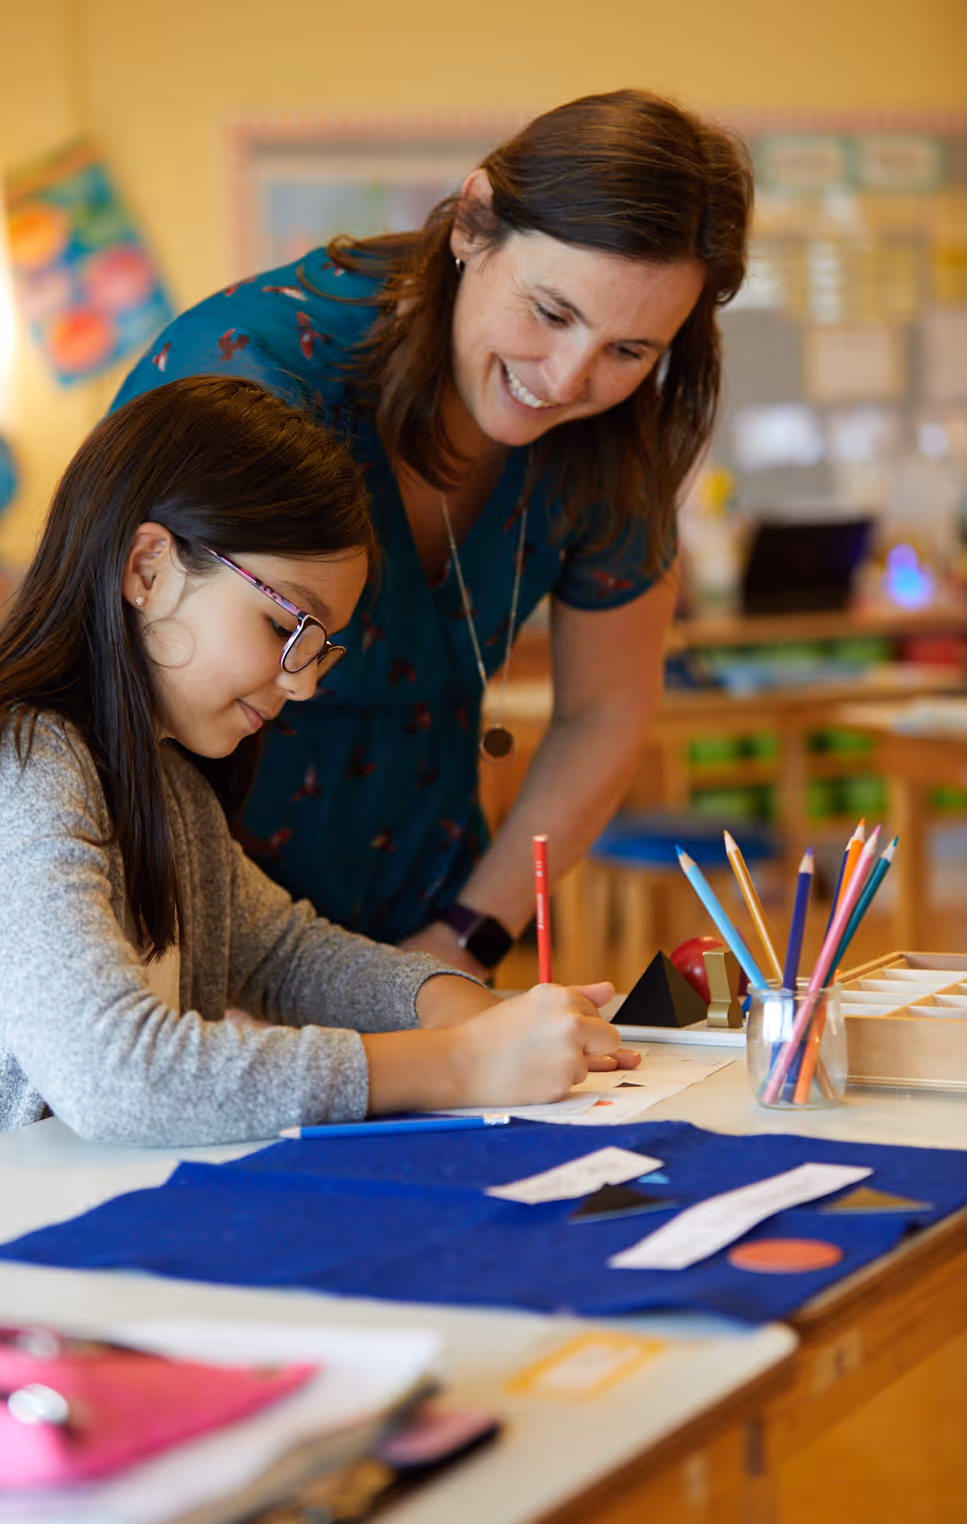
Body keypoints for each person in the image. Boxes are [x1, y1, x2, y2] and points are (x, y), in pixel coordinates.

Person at [114, 89, 753, 980]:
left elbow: (606, 710)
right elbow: (119, 694)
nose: (568, 379)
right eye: (552, 312)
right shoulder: (254, 371)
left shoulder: (616, 438)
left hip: (429, 916)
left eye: (630, 350)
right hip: (191, 925)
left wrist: (468, 934)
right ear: (475, 220)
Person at [0, 377, 638, 1150]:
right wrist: (455, 1062)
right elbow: (119, 1074)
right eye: (284, 623)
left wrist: (462, 1005)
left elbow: (284, 955)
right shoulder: (21, 767)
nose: (304, 682)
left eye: (320, 646)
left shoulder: (165, 779)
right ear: (147, 569)